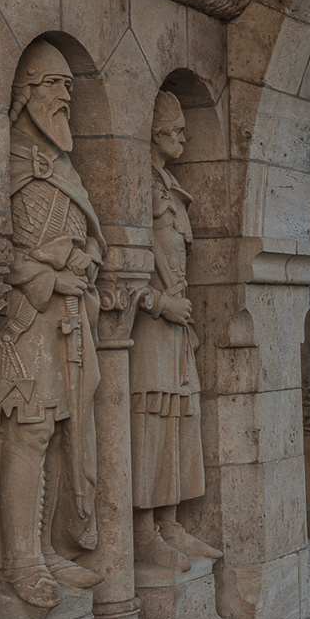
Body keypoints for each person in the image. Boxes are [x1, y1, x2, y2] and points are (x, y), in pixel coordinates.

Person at [0, 39, 107, 608]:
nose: (66, 96)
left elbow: (93, 241)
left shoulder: (65, 167)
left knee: (60, 430)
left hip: (68, 322)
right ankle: (21, 560)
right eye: (56, 85)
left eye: (70, 88)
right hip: (22, 322)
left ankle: (47, 545)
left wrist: (83, 261)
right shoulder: (3, 157)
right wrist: (46, 276)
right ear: (27, 91)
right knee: (28, 433)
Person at [131, 92, 219, 571]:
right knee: (150, 422)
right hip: (150, 330)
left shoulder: (170, 187)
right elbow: (119, 269)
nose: (185, 137)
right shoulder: (138, 185)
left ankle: (171, 523)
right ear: (154, 131)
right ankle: (143, 532)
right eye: (177, 129)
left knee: (180, 421)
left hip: (177, 330)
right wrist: (160, 303)